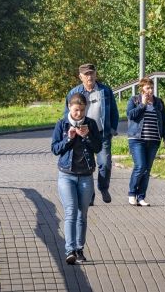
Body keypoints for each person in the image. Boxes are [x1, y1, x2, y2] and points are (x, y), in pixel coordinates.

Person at [52, 92, 101, 264]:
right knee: (71, 211)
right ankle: (70, 250)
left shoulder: (91, 124)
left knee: (83, 214)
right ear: (69, 108)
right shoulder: (62, 124)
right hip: (67, 175)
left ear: (85, 109)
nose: (78, 114)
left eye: (81, 110)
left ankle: (79, 249)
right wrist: (69, 138)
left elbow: (98, 147)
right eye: (75, 110)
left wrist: (86, 136)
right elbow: (55, 149)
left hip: (86, 176)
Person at [65, 63, 118, 204]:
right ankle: (90, 195)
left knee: (105, 164)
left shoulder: (105, 91)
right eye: (86, 74)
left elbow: (114, 111)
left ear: (95, 74)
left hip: (101, 134)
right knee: (87, 166)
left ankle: (103, 187)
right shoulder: (74, 93)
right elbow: (67, 114)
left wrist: (112, 129)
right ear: (80, 76)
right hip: (82, 134)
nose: (90, 76)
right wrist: (72, 131)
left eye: (92, 73)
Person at [126, 77, 165, 207]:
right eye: (147, 88)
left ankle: (141, 197)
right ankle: (132, 193)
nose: (150, 91)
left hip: (154, 139)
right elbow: (130, 115)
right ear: (142, 89)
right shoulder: (134, 100)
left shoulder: (158, 102)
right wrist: (143, 105)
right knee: (140, 166)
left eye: (151, 88)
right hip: (137, 139)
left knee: (147, 169)